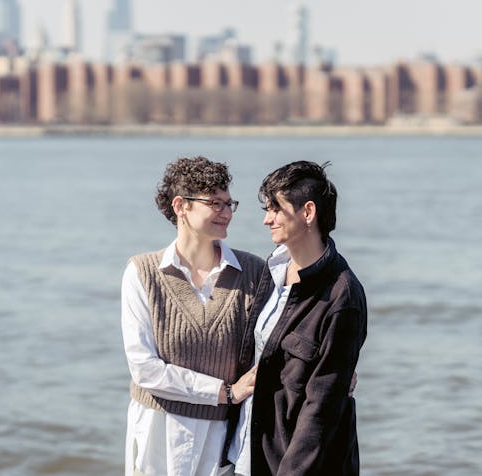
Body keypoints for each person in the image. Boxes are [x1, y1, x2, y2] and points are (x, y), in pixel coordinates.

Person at [121, 156, 263, 476]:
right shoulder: (142, 273)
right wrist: (224, 392)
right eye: (214, 203)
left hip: (221, 437)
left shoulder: (254, 273)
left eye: (229, 203)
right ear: (181, 206)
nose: (226, 212)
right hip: (157, 433)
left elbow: (277, 339)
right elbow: (144, 368)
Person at [227, 161, 368, 475]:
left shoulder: (342, 296)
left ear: (308, 212)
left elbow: (322, 408)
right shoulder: (274, 270)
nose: (267, 220)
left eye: (276, 209)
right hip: (247, 453)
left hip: (294, 465)